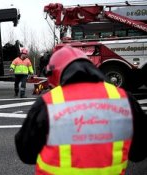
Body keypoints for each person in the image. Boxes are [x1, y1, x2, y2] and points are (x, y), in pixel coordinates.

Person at [15, 46, 147, 175]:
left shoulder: (48, 103)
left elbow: (26, 154)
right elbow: (139, 153)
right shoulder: (124, 99)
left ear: (55, 74)